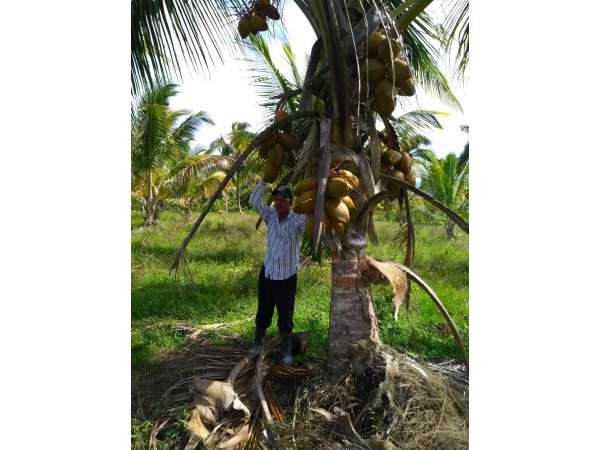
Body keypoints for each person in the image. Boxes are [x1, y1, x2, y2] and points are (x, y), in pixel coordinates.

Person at [247, 180, 307, 364]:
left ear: (290, 201)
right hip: (268, 273)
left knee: (285, 314)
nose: (278, 203)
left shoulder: (299, 220)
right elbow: (254, 201)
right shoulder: (271, 215)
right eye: (276, 200)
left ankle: (286, 351)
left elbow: (316, 215)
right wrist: (264, 181)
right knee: (263, 310)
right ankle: (258, 343)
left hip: (286, 276)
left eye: (282, 200)